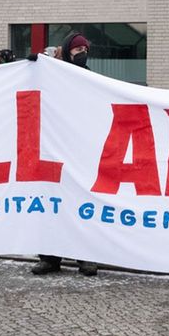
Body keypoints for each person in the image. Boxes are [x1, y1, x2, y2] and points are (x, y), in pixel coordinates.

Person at [33, 33, 100, 277]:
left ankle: (86, 258)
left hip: (80, 150)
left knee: (82, 205)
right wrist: (32, 66)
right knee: (52, 205)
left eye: (85, 48)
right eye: (77, 48)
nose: (82, 52)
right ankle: (50, 257)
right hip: (53, 148)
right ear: (68, 51)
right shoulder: (52, 73)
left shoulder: (89, 77)